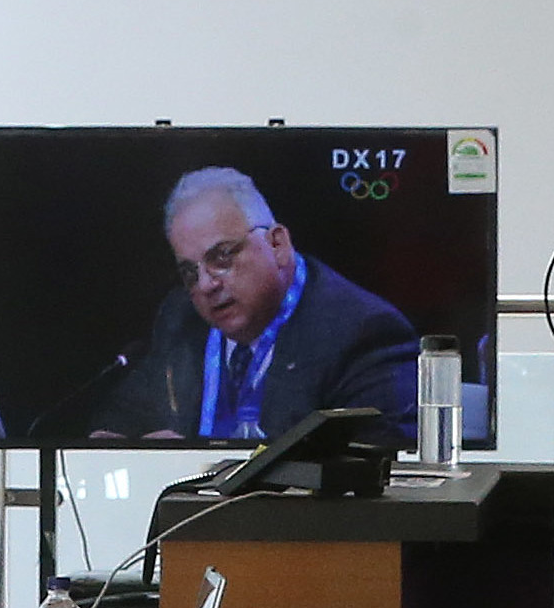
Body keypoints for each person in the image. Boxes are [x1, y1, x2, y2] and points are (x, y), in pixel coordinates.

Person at [93, 168, 422, 442]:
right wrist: (121, 443)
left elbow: (375, 467)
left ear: (277, 244)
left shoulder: (362, 333)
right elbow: (125, 413)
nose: (206, 284)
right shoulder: (181, 316)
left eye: (221, 257)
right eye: (190, 272)